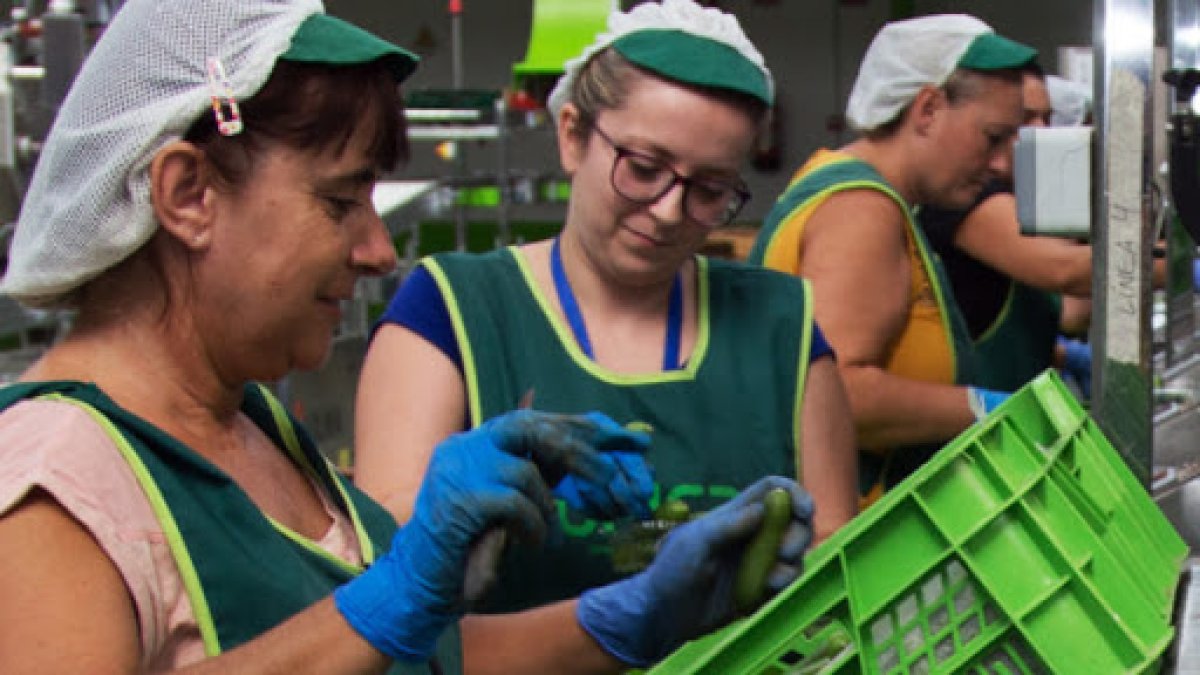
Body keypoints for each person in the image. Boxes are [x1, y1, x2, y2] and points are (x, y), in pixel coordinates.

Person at [0, 1, 817, 672]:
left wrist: (627, 615)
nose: (378, 250)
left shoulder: (252, 424)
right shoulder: (55, 483)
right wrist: (386, 599)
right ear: (188, 193)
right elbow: (366, 634)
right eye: (338, 201)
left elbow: (421, 659)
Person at [355, 0, 858, 614]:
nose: (670, 210)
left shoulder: (782, 324)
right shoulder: (451, 311)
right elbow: (384, 570)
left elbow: (841, 569)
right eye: (644, 169)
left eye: (709, 190)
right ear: (572, 136)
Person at [748, 14, 1037, 502]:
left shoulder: (869, 195)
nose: (1001, 164)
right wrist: (982, 407)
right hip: (847, 535)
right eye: (991, 137)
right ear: (927, 108)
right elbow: (838, 393)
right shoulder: (860, 209)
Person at [918, 63, 1094, 395]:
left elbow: (1068, 312)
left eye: (1047, 118)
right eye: (1025, 119)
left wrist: (1067, 355)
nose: (1039, 132)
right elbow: (1063, 271)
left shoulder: (1020, 201)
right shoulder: (964, 201)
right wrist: (1176, 264)